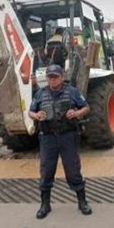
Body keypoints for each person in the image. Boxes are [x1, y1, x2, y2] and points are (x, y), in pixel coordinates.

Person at [29, 64, 92, 219]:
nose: (53, 80)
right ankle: (45, 204)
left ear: (62, 77)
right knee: (46, 170)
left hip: (68, 136)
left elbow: (86, 107)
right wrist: (36, 116)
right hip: (48, 137)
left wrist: (76, 113)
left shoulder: (72, 92)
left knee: (73, 169)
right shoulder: (40, 93)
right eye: (50, 77)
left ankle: (82, 201)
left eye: (55, 77)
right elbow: (31, 111)